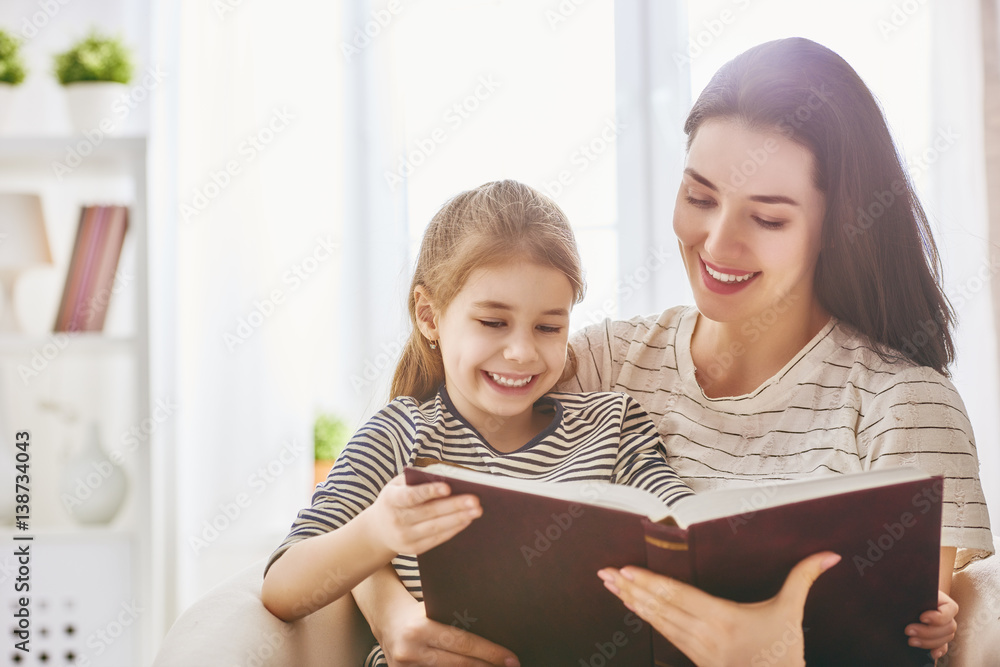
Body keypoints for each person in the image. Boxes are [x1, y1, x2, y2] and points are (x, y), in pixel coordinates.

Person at [349, 38, 992, 666]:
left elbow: (900, 647)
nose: (716, 242)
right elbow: (397, 488)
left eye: (767, 219)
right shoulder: (597, 363)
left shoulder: (906, 406)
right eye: (700, 197)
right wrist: (393, 612)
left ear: (838, 225)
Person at [260, 179, 695, 666]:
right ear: (429, 316)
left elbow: (688, 532)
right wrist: (377, 532)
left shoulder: (612, 428)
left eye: (549, 327)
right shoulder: (398, 437)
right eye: (493, 322)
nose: (522, 352)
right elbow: (281, 587)